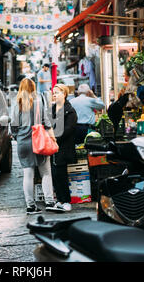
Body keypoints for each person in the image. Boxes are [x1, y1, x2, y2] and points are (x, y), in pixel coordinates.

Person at [11, 78, 57, 214]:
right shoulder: (39, 101)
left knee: (28, 174)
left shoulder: (17, 103)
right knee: (46, 173)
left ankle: (30, 206)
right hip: (39, 141)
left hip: (23, 142)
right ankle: (49, 202)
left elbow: (13, 125)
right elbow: (46, 121)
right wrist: (52, 138)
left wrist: (17, 136)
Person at [50, 84, 78, 212]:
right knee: (55, 174)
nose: (54, 95)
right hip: (53, 147)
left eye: (57, 92)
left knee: (61, 174)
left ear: (64, 94)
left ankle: (66, 201)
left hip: (63, 147)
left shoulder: (70, 110)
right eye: (53, 93)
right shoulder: (53, 109)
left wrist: (54, 136)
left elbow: (68, 129)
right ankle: (60, 200)